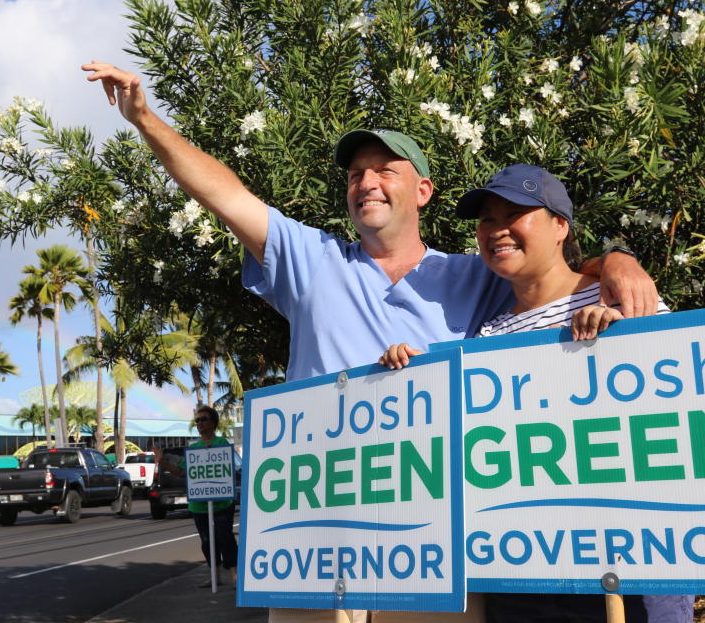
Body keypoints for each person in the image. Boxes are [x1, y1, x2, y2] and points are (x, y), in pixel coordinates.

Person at [82, 61, 660, 623]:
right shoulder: (310, 260)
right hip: (314, 543)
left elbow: (548, 268)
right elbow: (224, 194)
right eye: (356, 174)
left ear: (424, 190)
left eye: (385, 170)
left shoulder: (474, 274)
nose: (367, 182)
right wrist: (145, 119)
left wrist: (617, 261)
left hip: (433, 548)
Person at [381, 165, 688, 623]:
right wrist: (408, 375)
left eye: (516, 213)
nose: (498, 229)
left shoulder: (626, 299)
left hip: (634, 574)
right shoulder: (486, 335)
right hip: (523, 574)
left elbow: (680, 423)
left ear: (560, 225)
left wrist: (623, 348)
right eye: (487, 219)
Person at [187, 405, 239, 588]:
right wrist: (163, 462)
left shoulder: (222, 443)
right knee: (207, 541)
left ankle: (235, 575)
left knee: (225, 537)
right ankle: (214, 576)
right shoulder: (194, 449)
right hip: (199, 505)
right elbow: (183, 472)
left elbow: (226, 467)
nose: (200, 422)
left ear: (213, 422)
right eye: (197, 420)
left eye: (204, 419)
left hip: (222, 503)